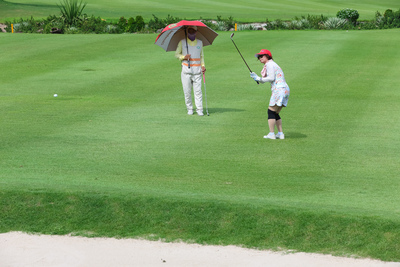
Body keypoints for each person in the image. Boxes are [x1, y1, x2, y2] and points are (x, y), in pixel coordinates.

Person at [250, 49, 290, 139]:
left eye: (262, 56)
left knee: (270, 111)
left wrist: (259, 79)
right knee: (275, 113)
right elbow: (269, 78)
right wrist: (256, 78)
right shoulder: (271, 64)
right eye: (259, 57)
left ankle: (271, 134)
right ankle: (280, 134)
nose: (260, 58)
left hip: (279, 89)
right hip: (284, 89)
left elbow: (271, 78)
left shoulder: (269, 64)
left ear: (268, 56)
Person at [175, 26, 206, 116]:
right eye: (190, 31)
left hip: (197, 71)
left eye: (193, 31)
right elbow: (177, 54)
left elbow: (201, 56)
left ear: (196, 32)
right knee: (187, 91)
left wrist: (203, 66)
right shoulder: (182, 42)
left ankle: (199, 109)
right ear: (187, 32)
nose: (192, 33)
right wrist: (184, 57)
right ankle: (190, 108)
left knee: (198, 92)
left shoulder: (200, 43)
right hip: (186, 72)